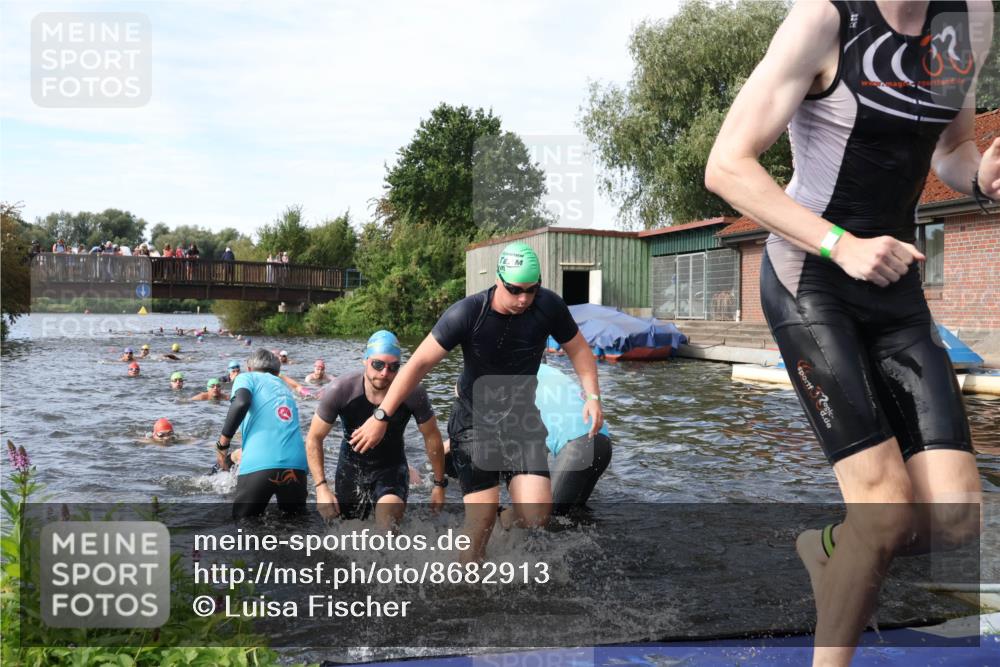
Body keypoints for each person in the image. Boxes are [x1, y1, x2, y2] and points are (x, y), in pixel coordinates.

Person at [704, 3, 994, 664]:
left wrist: (979, 178)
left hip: (894, 289)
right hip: (812, 277)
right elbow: (726, 166)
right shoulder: (823, 21)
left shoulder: (970, 18)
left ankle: (825, 546)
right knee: (884, 512)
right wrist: (840, 244)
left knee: (954, 520)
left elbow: (950, 149)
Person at [350, 242, 603, 562]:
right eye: (515, 290)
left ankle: (505, 518)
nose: (524, 298)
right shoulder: (469, 313)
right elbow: (417, 365)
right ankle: (464, 589)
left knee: (537, 516)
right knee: (479, 523)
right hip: (474, 422)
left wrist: (592, 396)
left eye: (531, 289)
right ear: (499, 280)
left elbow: (579, 350)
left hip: (520, 419)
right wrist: (381, 416)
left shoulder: (548, 306)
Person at [306, 331, 446, 531]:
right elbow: (314, 438)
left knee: (386, 525)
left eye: (393, 367)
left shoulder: (413, 393)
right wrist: (321, 488)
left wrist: (439, 485)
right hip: (350, 470)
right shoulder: (341, 389)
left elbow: (432, 436)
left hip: (391, 469)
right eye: (378, 364)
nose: (384, 373)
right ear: (365, 360)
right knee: (348, 533)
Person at [215, 348, 308, 519]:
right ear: (277, 372)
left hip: (260, 464)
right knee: (296, 527)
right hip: (297, 465)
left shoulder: (245, 377)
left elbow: (241, 403)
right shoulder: (284, 386)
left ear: (249, 368)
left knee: (243, 527)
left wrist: (223, 444)